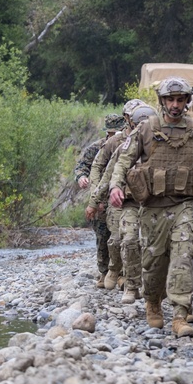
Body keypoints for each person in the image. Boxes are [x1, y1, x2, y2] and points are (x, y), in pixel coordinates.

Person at [109, 78, 193, 338]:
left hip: (183, 206)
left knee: (184, 257)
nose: (175, 105)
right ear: (162, 101)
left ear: (186, 102)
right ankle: (153, 302)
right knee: (155, 263)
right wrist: (115, 186)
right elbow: (124, 160)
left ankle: (180, 314)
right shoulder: (146, 129)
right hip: (153, 209)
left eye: (180, 100)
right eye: (170, 99)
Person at [92, 105, 157, 305]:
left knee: (154, 246)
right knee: (128, 240)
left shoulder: (163, 147)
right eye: (138, 125)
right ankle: (131, 285)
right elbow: (108, 174)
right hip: (129, 203)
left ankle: (154, 286)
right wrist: (94, 202)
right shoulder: (123, 147)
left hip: (156, 204)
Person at [75, 113, 126, 288]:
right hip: (100, 198)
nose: (113, 135)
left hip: (120, 196)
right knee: (102, 235)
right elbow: (83, 166)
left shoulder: (129, 144)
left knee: (121, 235)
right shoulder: (96, 147)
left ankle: (120, 273)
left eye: (116, 132)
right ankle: (104, 272)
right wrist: (81, 177)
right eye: (110, 132)